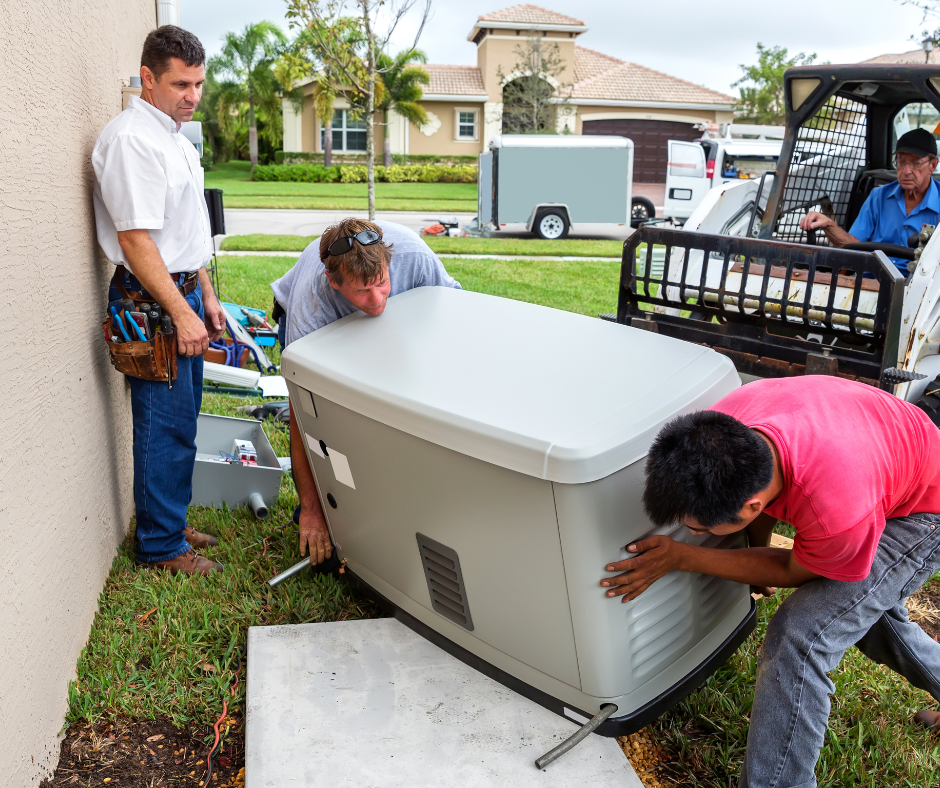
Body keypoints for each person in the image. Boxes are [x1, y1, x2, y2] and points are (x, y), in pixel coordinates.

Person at [599, 375, 940, 787]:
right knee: (864, 614)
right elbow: (766, 516)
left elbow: (789, 572)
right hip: (887, 456)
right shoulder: (725, 427)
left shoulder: (836, 510)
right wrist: (745, 548)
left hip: (923, 508)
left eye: (696, 525)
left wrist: (684, 556)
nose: (687, 530)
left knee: (802, 635)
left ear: (750, 506)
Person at [92, 26, 226, 576]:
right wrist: (180, 309)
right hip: (152, 298)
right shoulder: (132, 141)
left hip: (183, 291)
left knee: (184, 419)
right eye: (180, 84)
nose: (192, 95)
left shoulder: (172, 134)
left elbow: (184, 232)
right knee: (162, 422)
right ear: (147, 78)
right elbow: (137, 241)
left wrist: (207, 296)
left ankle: (168, 519)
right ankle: (161, 546)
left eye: (198, 84)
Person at [270, 218, 461, 565]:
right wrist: (312, 512)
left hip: (399, 318)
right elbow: (302, 414)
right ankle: (324, 511)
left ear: (390, 264)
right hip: (322, 328)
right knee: (333, 418)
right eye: (361, 291)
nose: (375, 300)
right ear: (333, 281)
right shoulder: (312, 306)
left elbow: (452, 323)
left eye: (382, 284)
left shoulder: (415, 256)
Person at [799, 128, 940, 274]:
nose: (906, 171)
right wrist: (828, 224)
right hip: (872, 280)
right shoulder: (878, 197)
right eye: (900, 162)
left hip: (919, 288)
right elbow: (853, 246)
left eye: (916, 163)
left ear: (933, 165)